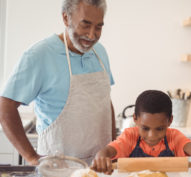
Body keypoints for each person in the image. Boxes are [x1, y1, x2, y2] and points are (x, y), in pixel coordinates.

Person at [0, 0, 115, 165]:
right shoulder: (39, 55)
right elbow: (5, 107)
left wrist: (113, 148)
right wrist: (31, 157)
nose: (92, 35)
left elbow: (105, 101)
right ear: (66, 18)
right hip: (57, 168)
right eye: (85, 25)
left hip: (100, 167)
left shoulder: (100, 52)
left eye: (98, 27)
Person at [91, 90, 191, 174]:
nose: (152, 136)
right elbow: (107, 151)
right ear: (135, 119)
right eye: (145, 128)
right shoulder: (130, 136)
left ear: (170, 121)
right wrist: (101, 156)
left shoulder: (174, 137)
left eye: (159, 129)